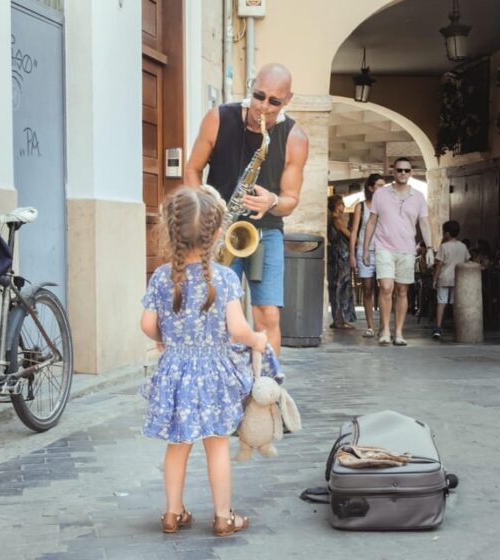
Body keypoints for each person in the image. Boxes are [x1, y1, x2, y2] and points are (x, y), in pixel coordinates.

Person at [139, 187, 268, 537]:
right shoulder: (224, 278)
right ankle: (224, 517)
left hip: (175, 371)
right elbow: (238, 330)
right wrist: (258, 339)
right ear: (216, 233)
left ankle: (171, 513)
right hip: (213, 374)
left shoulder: (161, 276)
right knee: (217, 447)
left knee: (177, 447)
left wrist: (167, 340)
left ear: (170, 230)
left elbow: (147, 325)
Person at [185, 63, 310, 354]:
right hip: (217, 231)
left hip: (264, 235)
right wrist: (205, 216)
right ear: (252, 87)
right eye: (259, 96)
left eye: (274, 102)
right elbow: (192, 170)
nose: (263, 107)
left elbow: (291, 199)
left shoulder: (295, 138)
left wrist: (273, 202)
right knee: (211, 312)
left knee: (266, 314)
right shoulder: (218, 118)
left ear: (287, 100)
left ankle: (267, 388)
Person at [363, 157, 434, 347]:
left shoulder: (418, 196)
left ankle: (399, 332)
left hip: (407, 249)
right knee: (386, 287)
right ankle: (385, 330)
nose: (403, 173)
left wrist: (430, 248)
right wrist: (365, 249)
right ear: (393, 172)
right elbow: (371, 221)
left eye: (407, 171)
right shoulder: (381, 194)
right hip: (384, 247)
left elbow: (424, 223)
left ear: (411, 173)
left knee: (403, 291)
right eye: (400, 170)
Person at [349, 173, 385, 337]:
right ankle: (371, 326)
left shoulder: (387, 206)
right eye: (379, 186)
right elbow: (354, 231)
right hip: (364, 252)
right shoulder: (361, 207)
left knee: (385, 288)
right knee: (368, 289)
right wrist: (352, 254)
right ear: (371, 188)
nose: (382, 189)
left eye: (384, 186)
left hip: (384, 251)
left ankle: (384, 326)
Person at [431, 220, 470, 339]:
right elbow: (467, 261)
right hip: (457, 279)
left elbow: (439, 264)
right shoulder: (463, 246)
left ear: (447, 233)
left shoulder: (444, 247)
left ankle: (438, 328)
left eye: (443, 232)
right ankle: (457, 327)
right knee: (455, 304)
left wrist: (434, 279)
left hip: (444, 278)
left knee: (441, 303)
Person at [327, 194, 356, 329]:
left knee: (337, 286)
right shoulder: (337, 220)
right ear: (337, 206)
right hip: (341, 255)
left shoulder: (332, 220)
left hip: (336, 254)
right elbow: (349, 235)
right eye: (342, 204)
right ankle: (341, 319)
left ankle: (339, 318)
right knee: (342, 286)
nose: (343, 206)